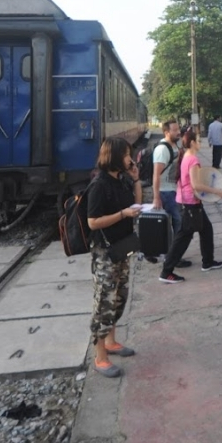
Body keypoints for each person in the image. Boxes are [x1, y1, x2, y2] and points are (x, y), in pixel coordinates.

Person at [85, 137, 142, 378]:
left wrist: (137, 179)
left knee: (119, 296)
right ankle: (100, 358)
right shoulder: (100, 185)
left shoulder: (121, 180)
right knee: (104, 303)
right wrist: (121, 214)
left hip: (121, 248)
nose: (130, 158)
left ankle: (111, 341)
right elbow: (93, 222)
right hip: (105, 254)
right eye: (127, 154)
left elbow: (136, 206)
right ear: (115, 156)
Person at [160, 129, 222, 283]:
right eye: (199, 140)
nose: (200, 143)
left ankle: (208, 261)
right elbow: (196, 185)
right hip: (190, 203)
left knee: (206, 229)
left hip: (188, 201)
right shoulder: (192, 160)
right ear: (192, 143)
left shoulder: (187, 157)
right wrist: (218, 192)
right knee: (183, 238)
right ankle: (166, 271)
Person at [150, 120, 191, 268]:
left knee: (178, 224)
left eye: (178, 129)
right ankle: (172, 257)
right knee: (179, 224)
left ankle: (173, 255)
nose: (178, 132)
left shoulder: (176, 145)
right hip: (166, 192)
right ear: (166, 132)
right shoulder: (162, 149)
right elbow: (156, 175)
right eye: (174, 130)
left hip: (174, 190)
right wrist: (156, 197)